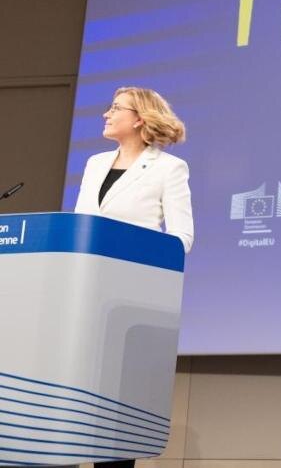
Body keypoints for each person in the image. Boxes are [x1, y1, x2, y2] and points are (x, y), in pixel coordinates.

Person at [73, 87, 193, 468]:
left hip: (129, 298)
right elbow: (81, 226)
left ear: (139, 118)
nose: (106, 114)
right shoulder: (94, 164)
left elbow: (181, 239)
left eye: (115, 108)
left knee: (114, 409)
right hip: (85, 295)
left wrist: (134, 253)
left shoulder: (168, 168)